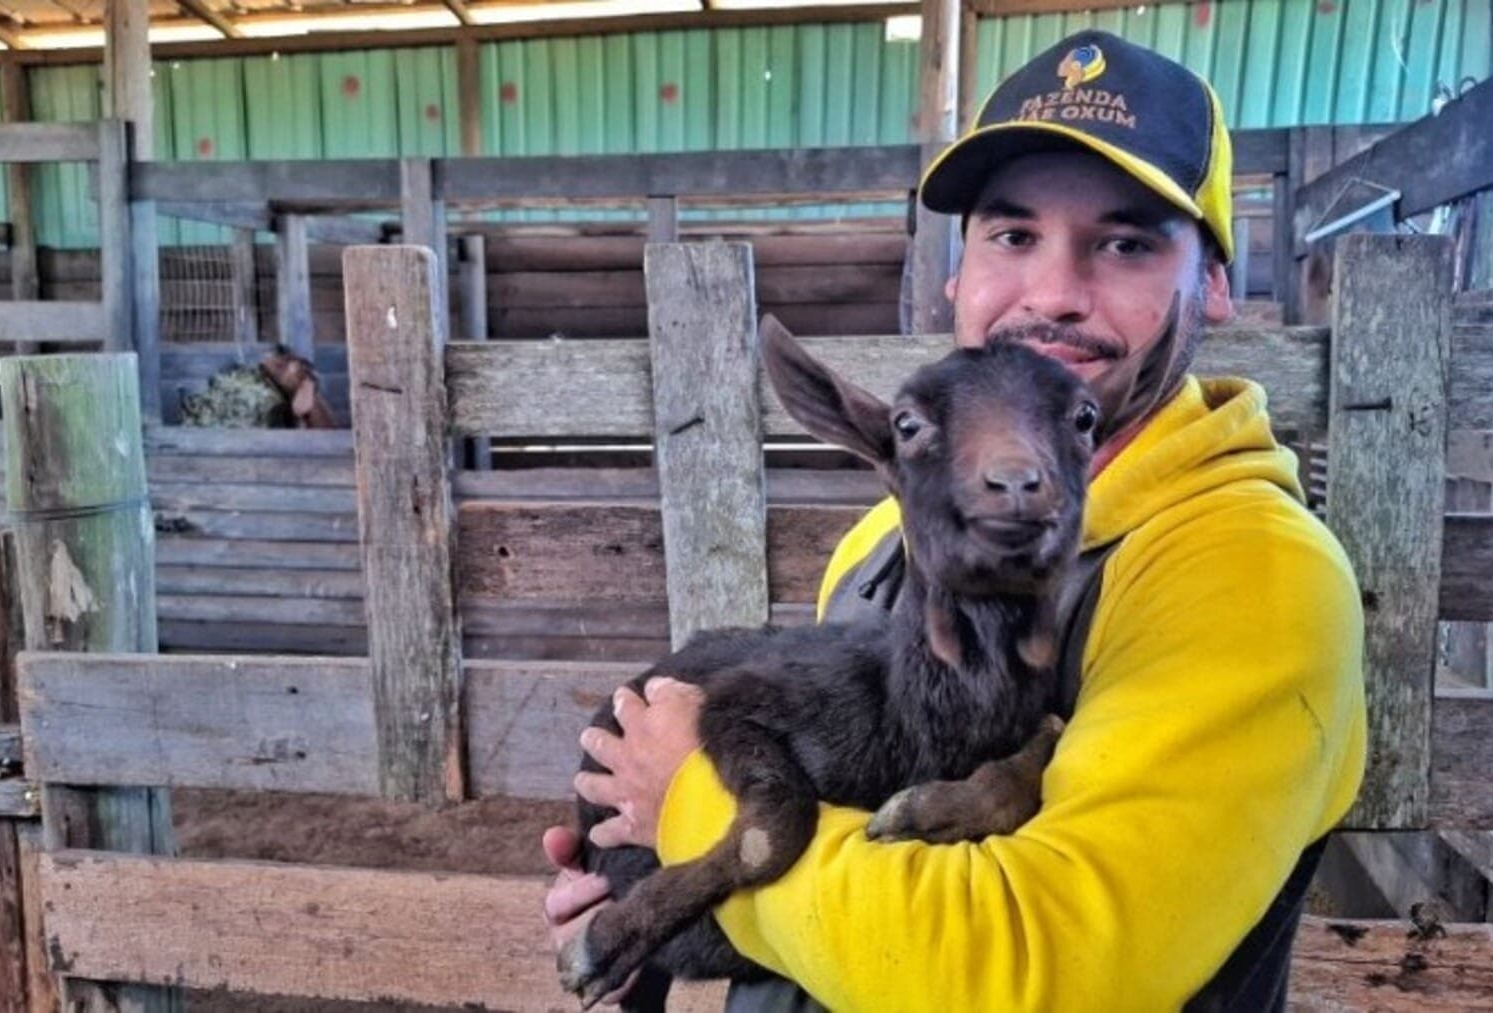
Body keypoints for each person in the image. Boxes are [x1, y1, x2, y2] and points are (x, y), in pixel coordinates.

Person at [544, 29, 1367, 1011]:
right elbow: (852, 868)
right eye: (1012, 236)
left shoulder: (1250, 574)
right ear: (957, 273)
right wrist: (646, 909)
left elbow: (1029, 969)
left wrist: (687, 801)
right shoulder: (883, 539)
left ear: (1216, 283)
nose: (1052, 295)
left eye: (1126, 243)